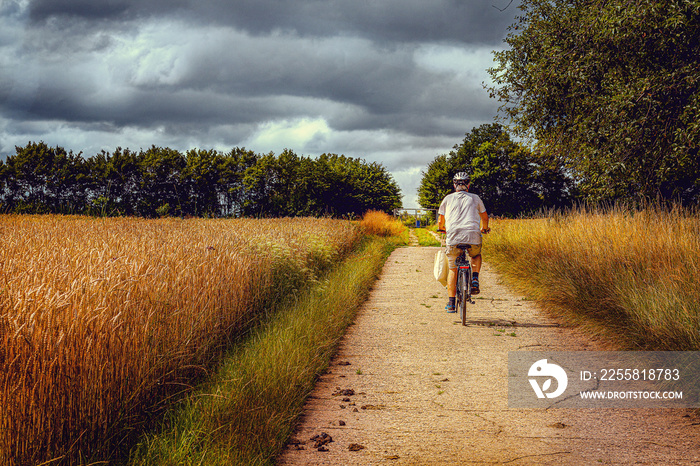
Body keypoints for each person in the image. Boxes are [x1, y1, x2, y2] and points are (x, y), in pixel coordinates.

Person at [436, 172, 490, 313]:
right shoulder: (476, 198)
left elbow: (441, 221)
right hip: (473, 235)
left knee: (453, 269)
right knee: (475, 255)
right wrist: (484, 228)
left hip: (453, 237)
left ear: (454, 185)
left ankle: (451, 304)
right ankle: (475, 279)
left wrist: (441, 229)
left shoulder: (447, 199)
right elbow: (484, 216)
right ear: (468, 184)